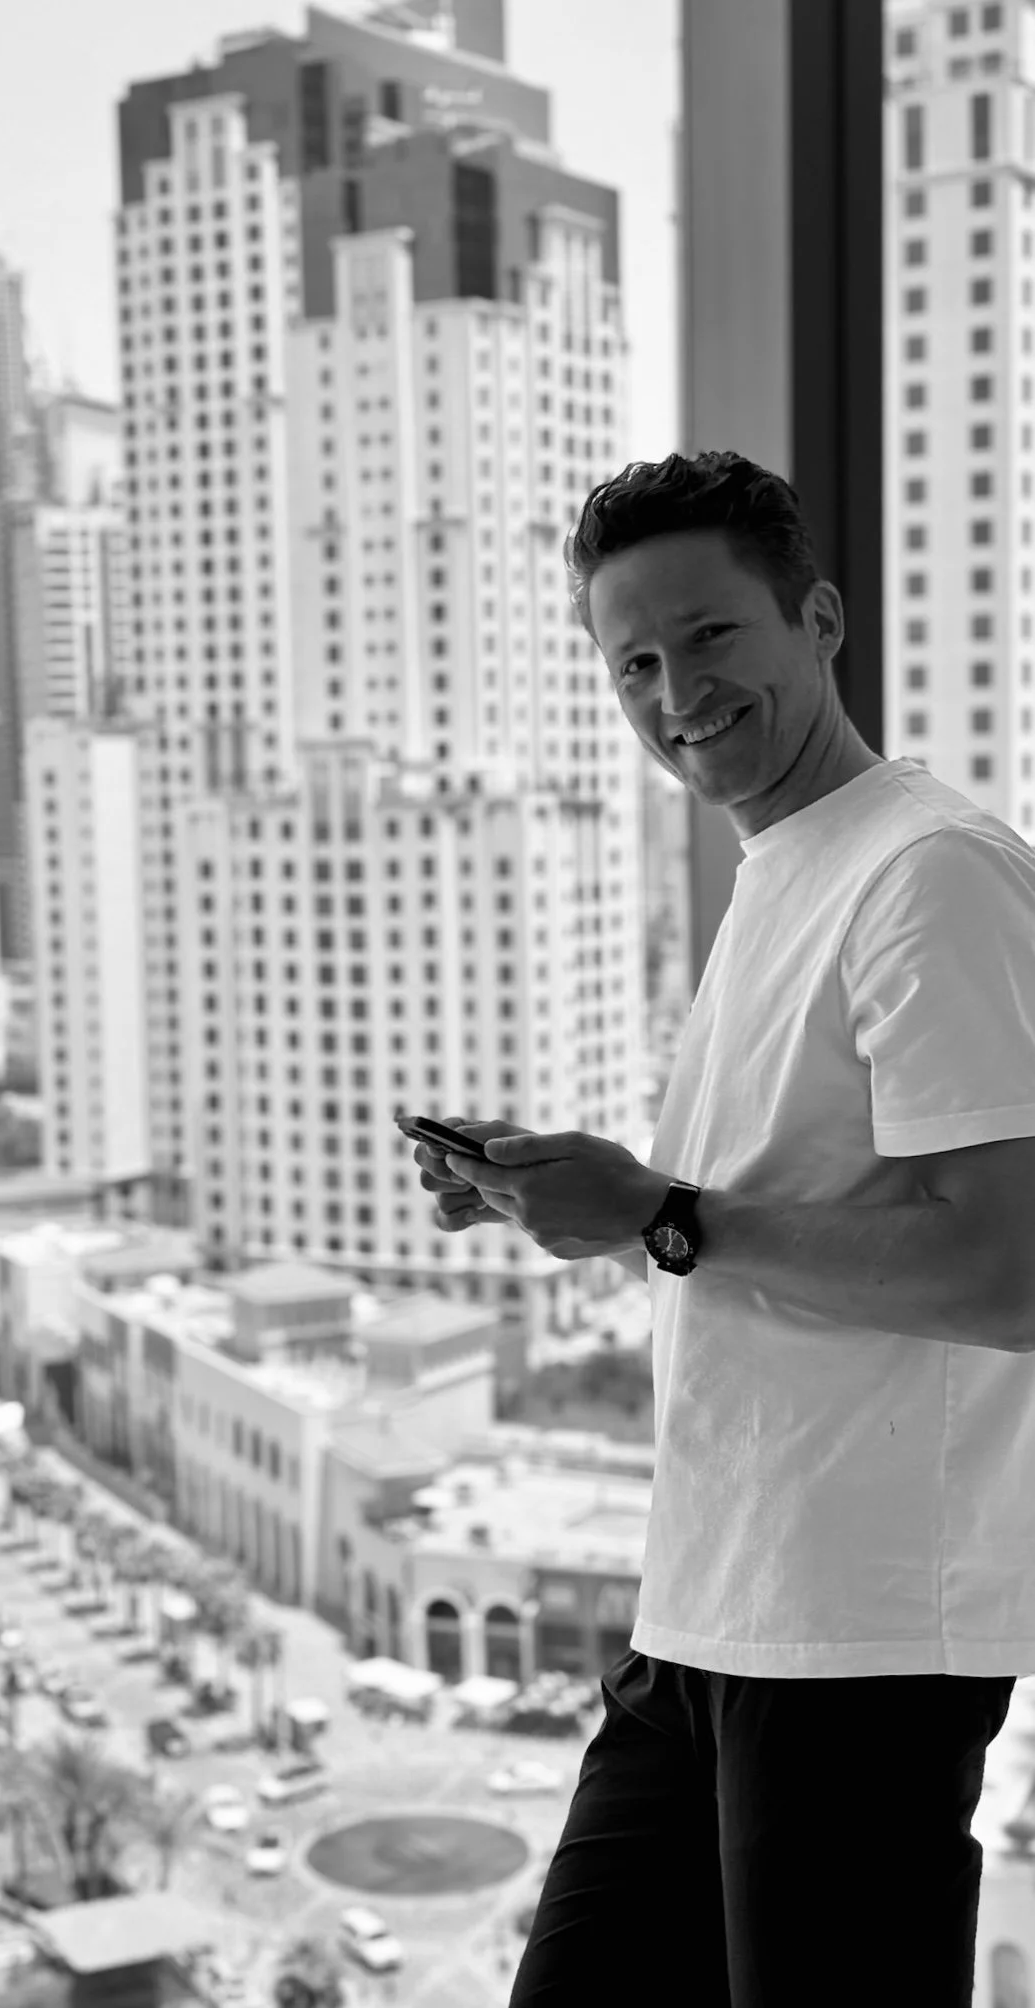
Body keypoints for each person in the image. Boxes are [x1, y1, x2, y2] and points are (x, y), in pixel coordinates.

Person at [413, 453, 1035, 2008]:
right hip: (705, 1615)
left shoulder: (930, 874)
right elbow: (763, 1224)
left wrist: (665, 1214)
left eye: (709, 638)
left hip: (863, 1645)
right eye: (632, 661)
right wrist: (591, 1217)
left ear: (817, 620)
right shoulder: (779, 869)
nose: (673, 691)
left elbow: (1011, 1266)